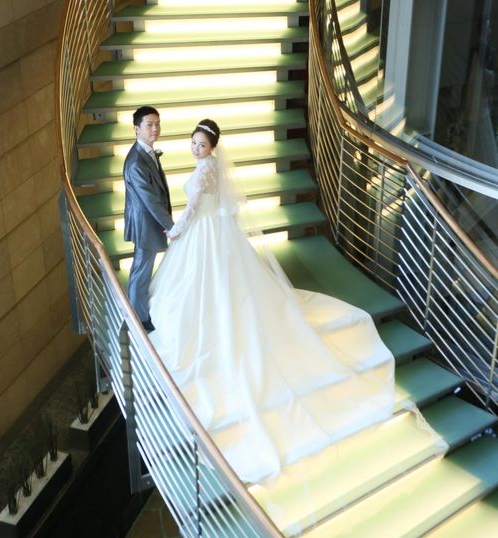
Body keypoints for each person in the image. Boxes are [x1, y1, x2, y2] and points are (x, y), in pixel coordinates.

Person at [147, 119, 447, 487]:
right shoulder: (210, 167)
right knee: (222, 285)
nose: (196, 149)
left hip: (203, 232)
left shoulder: (205, 171)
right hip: (215, 232)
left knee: (210, 286)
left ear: (212, 148)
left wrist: (176, 230)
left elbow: (194, 208)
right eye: (194, 143)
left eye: (202, 145)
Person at [123, 106, 174, 332]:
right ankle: (138, 320)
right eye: (149, 125)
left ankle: (139, 313)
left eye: (157, 124)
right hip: (145, 224)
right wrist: (172, 226)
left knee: (142, 269)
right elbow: (151, 200)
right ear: (137, 129)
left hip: (149, 221)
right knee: (141, 272)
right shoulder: (135, 162)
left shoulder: (146, 152)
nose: (155, 129)